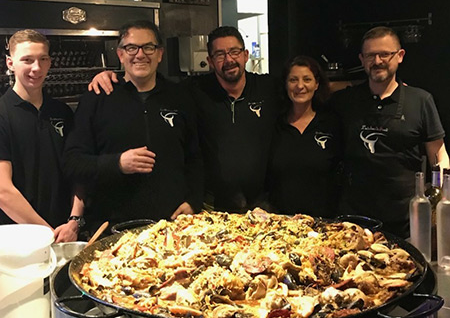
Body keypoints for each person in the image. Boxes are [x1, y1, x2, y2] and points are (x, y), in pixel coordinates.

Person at [89, 25, 281, 213]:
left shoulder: (268, 88)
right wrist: (112, 76)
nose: (229, 59)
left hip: (261, 205)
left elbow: (299, 87)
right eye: (220, 55)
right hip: (211, 207)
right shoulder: (192, 91)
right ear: (210, 61)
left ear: (246, 55)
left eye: (234, 52)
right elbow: (150, 80)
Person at [63, 20, 203, 234]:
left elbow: (195, 157)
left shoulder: (181, 98)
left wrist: (193, 201)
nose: (140, 54)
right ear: (120, 55)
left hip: (171, 228)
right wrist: (116, 163)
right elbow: (72, 163)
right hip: (112, 230)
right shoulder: (98, 97)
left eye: (148, 47)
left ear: (160, 54)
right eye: (131, 48)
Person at [332, 26, 449, 238]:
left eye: (385, 54)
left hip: (405, 221)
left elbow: (439, 155)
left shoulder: (421, 101)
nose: (377, 61)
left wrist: (441, 196)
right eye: (370, 55)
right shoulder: (346, 101)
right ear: (361, 59)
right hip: (354, 222)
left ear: (400, 55)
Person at [0, 29, 84, 242]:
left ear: (49, 62)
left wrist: (74, 221)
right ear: (10, 63)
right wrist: (48, 233)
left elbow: (77, 171)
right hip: (18, 240)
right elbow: (3, 191)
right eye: (27, 60)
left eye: (42, 59)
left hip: (67, 233)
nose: (36, 68)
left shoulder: (62, 112)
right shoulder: (2, 113)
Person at [266, 55, 342, 218]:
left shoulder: (331, 124)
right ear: (286, 85)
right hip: (281, 223)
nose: (300, 86)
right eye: (293, 80)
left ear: (317, 84)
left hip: (323, 224)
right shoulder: (274, 125)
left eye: (307, 79)